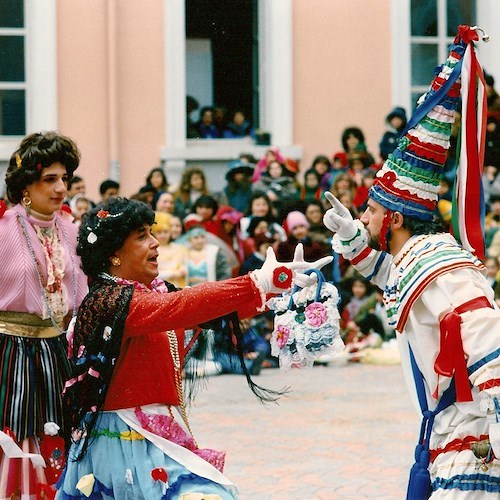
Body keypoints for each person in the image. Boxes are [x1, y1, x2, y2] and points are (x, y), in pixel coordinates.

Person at [323, 26, 500, 497]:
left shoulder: (439, 262)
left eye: (371, 210)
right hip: (448, 432)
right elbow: (388, 274)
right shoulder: (414, 259)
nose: (364, 215)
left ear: (395, 218)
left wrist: (498, 421)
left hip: (475, 435)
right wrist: (351, 238)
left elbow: (483, 328)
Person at [57, 196, 330, 498]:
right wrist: (257, 282)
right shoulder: (109, 301)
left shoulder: (150, 293)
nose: (155, 242)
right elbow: (184, 305)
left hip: (151, 434)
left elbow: (206, 308)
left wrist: (279, 289)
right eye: (141, 236)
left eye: (152, 232)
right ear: (114, 255)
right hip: (124, 444)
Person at [0, 131, 88, 497]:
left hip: (56, 350)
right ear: (26, 185)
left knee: (57, 432)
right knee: (13, 430)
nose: (60, 188)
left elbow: (83, 293)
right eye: (50, 179)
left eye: (64, 178)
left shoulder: (71, 231)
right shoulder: (4, 228)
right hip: (9, 350)